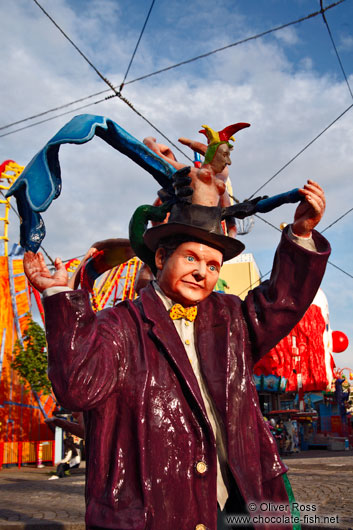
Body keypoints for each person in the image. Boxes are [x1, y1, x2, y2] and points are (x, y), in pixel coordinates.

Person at [24, 180, 329, 530]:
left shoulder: (231, 317)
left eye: (213, 265)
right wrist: (61, 297)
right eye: (191, 257)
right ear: (160, 257)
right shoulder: (119, 325)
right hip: (157, 510)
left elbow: (280, 304)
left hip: (242, 500)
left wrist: (302, 234)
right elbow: (77, 387)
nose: (202, 271)